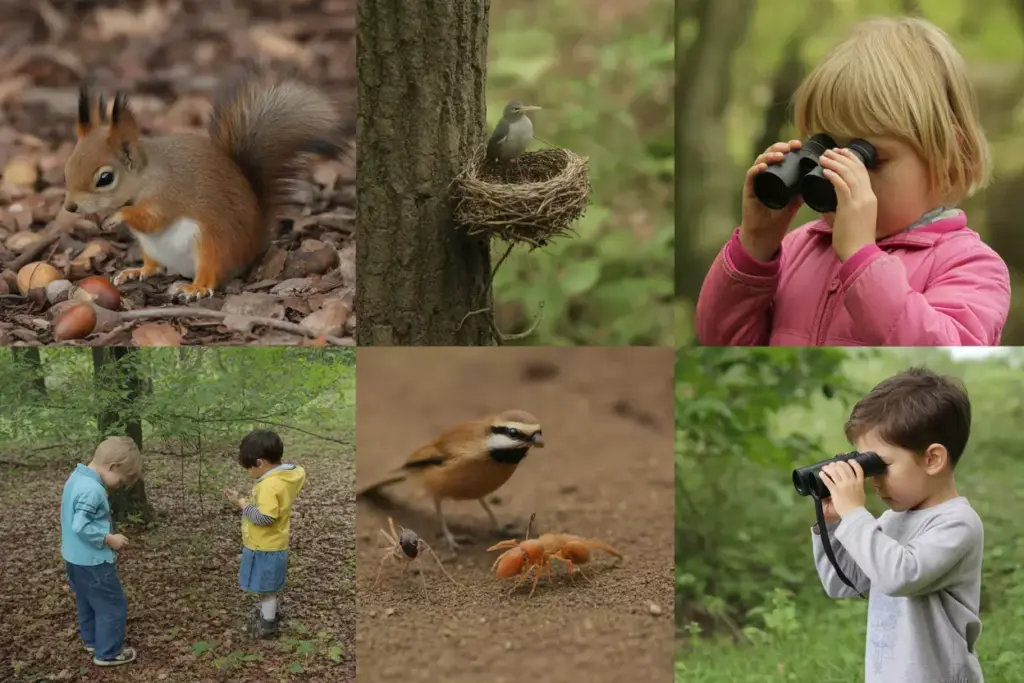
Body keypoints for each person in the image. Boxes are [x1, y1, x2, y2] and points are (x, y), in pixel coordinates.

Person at [696, 17, 1010, 346]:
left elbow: (941, 352)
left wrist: (862, 259)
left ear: (947, 157)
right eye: (825, 149)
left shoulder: (970, 266)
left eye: (867, 157)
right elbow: (720, 343)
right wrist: (755, 246)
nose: (842, 174)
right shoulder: (795, 249)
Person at [813, 368, 983, 683]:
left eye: (881, 465)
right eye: (867, 465)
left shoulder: (958, 524)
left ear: (933, 459)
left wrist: (855, 515)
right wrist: (835, 523)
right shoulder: (893, 519)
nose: (873, 478)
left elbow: (898, 576)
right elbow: (843, 583)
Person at [60, 436, 142, 666]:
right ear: (112, 466)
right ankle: (108, 652)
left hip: (73, 558)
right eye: (121, 479)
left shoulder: (76, 478)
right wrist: (109, 538)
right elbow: (80, 525)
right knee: (112, 603)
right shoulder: (93, 489)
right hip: (92, 560)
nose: (119, 485)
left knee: (87, 599)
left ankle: (93, 640)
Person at [223, 429, 306, 638]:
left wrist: (241, 504)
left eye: (248, 467)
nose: (248, 472)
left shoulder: (269, 486)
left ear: (260, 463)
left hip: (266, 546)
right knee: (266, 586)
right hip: (272, 543)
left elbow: (266, 518)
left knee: (266, 589)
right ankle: (266, 615)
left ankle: (267, 625)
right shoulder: (285, 477)